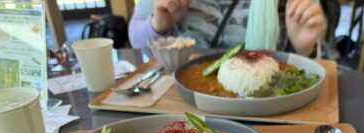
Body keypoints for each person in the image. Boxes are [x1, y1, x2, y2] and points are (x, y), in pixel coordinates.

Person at [128, 0, 327, 57]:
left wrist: (302, 49)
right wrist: (159, 25)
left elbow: (312, 69)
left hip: (268, 103)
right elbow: (138, 44)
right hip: (183, 99)